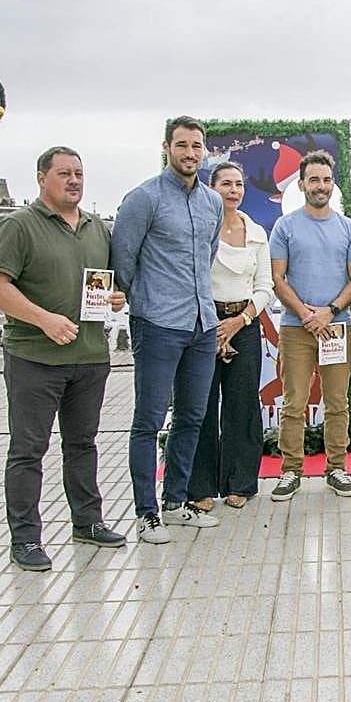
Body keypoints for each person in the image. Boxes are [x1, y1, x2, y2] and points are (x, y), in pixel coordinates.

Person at [0, 146, 128, 571]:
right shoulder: (18, 226)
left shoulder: (97, 229)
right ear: (42, 177)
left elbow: (105, 287)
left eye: (79, 173)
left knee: (82, 445)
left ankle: (87, 521)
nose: (74, 180)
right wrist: (44, 319)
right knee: (29, 449)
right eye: (64, 173)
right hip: (34, 357)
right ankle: (25, 539)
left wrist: (115, 300)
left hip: (89, 356)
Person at [112, 115, 223, 543]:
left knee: (193, 416)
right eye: (182, 145)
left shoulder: (212, 202)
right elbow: (124, 259)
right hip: (158, 323)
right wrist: (143, 302)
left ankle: (175, 502)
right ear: (166, 147)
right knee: (149, 420)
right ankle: (146, 512)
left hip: (202, 323)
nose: (190, 153)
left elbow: (207, 255)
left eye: (197, 146)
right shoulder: (144, 198)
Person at [267, 150, 351, 500]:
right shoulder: (285, 226)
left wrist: (330, 311)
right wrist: (307, 315)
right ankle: (291, 471)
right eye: (314, 180)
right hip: (296, 328)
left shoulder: (349, 229)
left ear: (332, 183)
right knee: (294, 402)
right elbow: (277, 277)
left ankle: (336, 468)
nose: (320, 186)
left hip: (337, 327)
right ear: (302, 183)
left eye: (326, 180)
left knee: (338, 402)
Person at [187, 162, 273, 511]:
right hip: (204, 325)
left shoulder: (256, 233)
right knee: (202, 406)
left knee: (242, 406)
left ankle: (242, 483)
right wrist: (214, 327)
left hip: (245, 325)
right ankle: (201, 487)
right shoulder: (200, 229)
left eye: (238, 184)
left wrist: (240, 320)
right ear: (211, 187)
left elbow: (265, 287)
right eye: (226, 183)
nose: (233, 190)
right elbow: (191, 279)